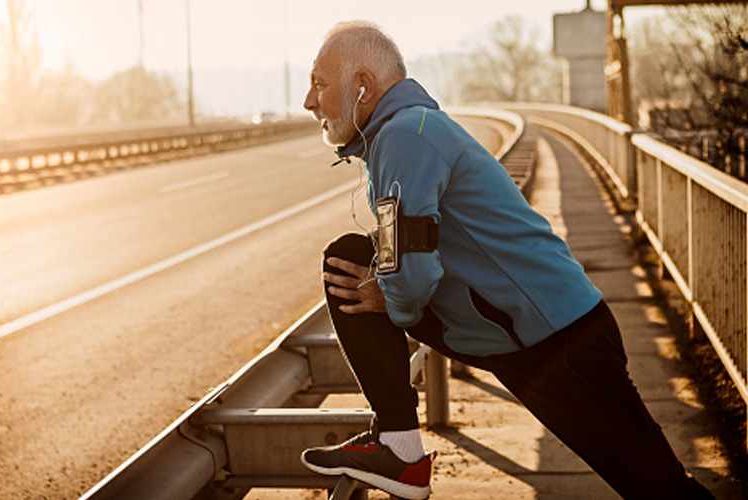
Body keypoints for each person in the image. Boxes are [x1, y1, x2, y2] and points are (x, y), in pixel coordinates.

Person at [299, 20, 716, 500]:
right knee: (349, 259)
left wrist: (386, 298)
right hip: (518, 334)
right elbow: (408, 253)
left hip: (560, 341)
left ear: (362, 85)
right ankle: (398, 444)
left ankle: (399, 449)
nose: (309, 101)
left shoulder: (405, 136)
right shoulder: (404, 132)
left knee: (661, 489)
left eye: (319, 84)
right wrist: (390, 290)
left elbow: (410, 281)